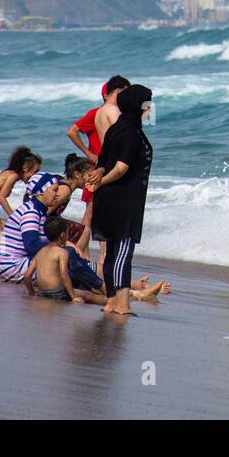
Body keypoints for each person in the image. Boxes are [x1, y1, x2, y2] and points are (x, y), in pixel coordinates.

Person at [87, 84, 156, 316]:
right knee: (123, 251)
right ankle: (122, 304)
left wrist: (99, 178)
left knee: (113, 252)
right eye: (147, 104)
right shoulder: (132, 134)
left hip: (109, 198)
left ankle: (111, 302)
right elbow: (120, 168)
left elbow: (103, 161)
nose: (150, 109)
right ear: (138, 106)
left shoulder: (118, 128)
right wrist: (103, 181)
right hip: (123, 200)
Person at [67, 76, 129, 268]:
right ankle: (89, 253)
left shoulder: (116, 114)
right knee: (92, 213)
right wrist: (88, 154)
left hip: (104, 168)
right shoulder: (98, 113)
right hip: (99, 169)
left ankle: (84, 252)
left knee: (92, 212)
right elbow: (72, 131)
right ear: (109, 94)